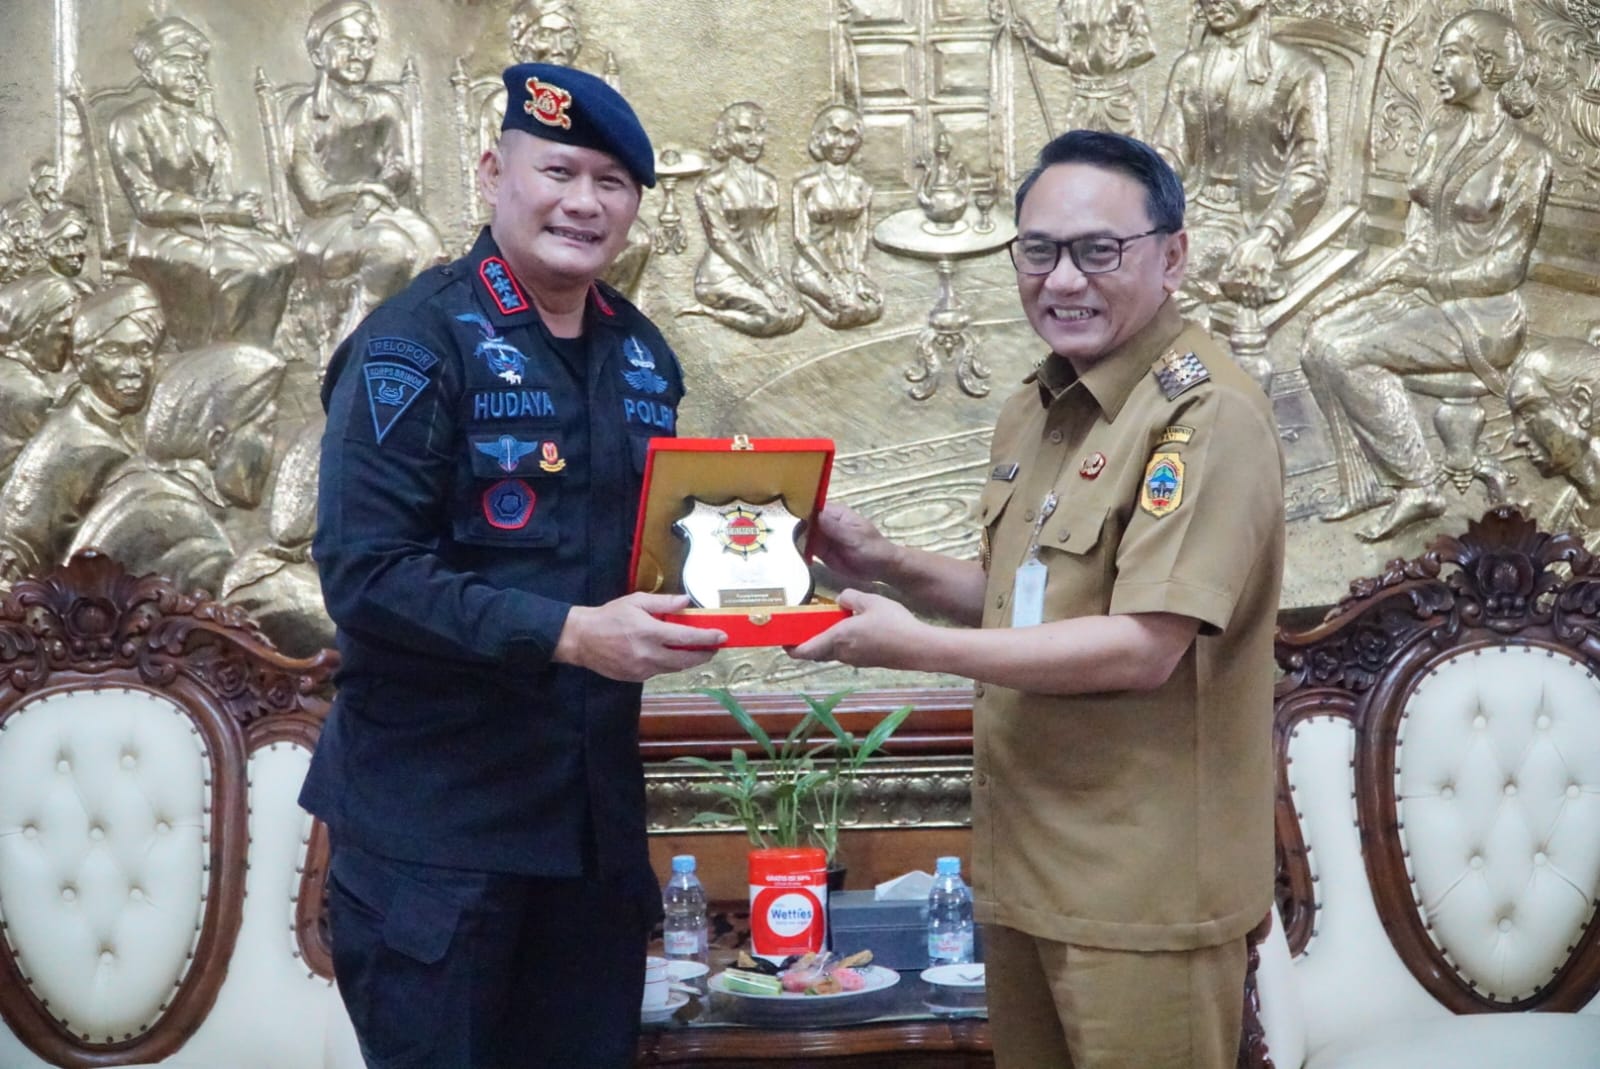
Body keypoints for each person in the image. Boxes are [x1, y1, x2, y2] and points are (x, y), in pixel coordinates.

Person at [791, 129, 1285, 1069]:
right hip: (1025, 868)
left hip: (1140, 892)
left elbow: (1144, 644)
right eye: (1039, 250)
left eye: (1099, 251)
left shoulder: (1202, 411)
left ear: (1172, 256)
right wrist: (886, 563)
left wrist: (912, 647)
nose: (1063, 280)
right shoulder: (1040, 405)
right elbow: (1027, 605)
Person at [298, 63, 725, 1069]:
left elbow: (651, 551)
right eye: (559, 172)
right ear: (494, 174)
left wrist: (765, 562)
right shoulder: (414, 344)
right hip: (439, 840)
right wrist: (570, 635)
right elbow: (366, 573)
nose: (585, 203)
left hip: (590, 837)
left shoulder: (642, 355)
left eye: (612, 183)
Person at [1301, 10, 1551, 542]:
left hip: (1482, 315)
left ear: (1487, 65)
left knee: (1346, 353)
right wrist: (1363, 287)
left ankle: (1418, 484)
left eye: (1451, 54)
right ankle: (1365, 485)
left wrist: (1431, 279)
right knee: (1317, 340)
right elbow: (1415, 239)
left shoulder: (1527, 157)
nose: (1436, 66)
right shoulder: (1440, 133)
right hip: (1420, 292)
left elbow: (1509, 267)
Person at [109, 16, 295, 349]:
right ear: (150, 70)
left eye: (197, 64)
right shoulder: (129, 124)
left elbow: (219, 192)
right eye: (181, 62)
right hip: (157, 235)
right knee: (240, 267)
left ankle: (257, 350)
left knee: (282, 256)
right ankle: (213, 353)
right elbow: (147, 203)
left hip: (210, 228)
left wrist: (250, 219)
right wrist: (223, 211)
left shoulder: (209, 128)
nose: (194, 73)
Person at [1151, 0, 1328, 317]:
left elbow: (1311, 169)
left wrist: (1268, 236)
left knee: (1161, 273)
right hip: (1181, 211)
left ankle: (1190, 349)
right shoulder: (1188, 68)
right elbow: (1168, 153)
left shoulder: (1299, 70)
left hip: (1247, 220)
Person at [285, 0, 445, 346]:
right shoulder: (306, 114)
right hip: (324, 226)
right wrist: (363, 190)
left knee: (432, 249)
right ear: (318, 55)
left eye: (364, 44)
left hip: (380, 211)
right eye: (345, 44)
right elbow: (313, 194)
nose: (357, 54)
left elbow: (399, 165)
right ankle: (352, 348)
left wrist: (379, 191)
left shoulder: (385, 106)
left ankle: (411, 341)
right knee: (391, 249)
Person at [69, 340, 287, 595]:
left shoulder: (147, 486)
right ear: (216, 443)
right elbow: (235, 604)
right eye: (267, 428)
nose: (274, 446)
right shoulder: (177, 519)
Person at [0, 280, 162, 582]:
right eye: (113, 351)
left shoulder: (120, 426)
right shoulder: (81, 445)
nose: (133, 368)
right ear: (82, 362)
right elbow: (17, 546)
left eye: (143, 350)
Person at [683, 101, 805, 337]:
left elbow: (769, 235)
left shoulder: (768, 182)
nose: (754, 140)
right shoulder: (711, 185)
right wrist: (764, 284)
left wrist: (777, 278)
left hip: (762, 273)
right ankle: (709, 312)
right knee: (774, 318)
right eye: (744, 131)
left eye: (759, 132)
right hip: (721, 275)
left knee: (796, 313)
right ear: (726, 136)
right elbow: (721, 240)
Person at [791, 104, 882, 330]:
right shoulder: (805, 186)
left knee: (875, 307)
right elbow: (801, 238)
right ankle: (809, 300)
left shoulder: (862, 185)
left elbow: (861, 234)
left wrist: (858, 276)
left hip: (848, 267)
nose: (842, 143)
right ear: (819, 137)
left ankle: (834, 302)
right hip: (814, 268)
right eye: (834, 133)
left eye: (849, 135)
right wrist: (833, 279)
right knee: (849, 310)